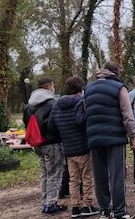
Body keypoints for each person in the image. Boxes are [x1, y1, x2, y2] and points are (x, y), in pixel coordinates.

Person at [84, 61, 135, 219]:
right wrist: (132, 135)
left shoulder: (88, 89)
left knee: (99, 176)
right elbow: (127, 115)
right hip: (115, 138)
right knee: (117, 176)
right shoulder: (119, 88)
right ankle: (119, 212)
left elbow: (87, 112)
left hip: (94, 137)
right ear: (115, 74)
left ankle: (104, 211)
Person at [50, 76, 100, 218]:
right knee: (87, 178)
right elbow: (80, 121)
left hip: (68, 148)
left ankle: (75, 207)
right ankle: (88, 205)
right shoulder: (80, 103)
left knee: (73, 179)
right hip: (82, 146)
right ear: (80, 89)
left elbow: (51, 126)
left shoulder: (56, 105)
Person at [22, 77, 65, 214]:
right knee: (54, 173)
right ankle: (51, 204)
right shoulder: (52, 103)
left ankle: (45, 202)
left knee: (44, 173)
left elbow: (26, 123)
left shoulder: (29, 105)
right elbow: (56, 123)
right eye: (53, 86)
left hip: (37, 143)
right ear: (49, 87)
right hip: (52, 143)